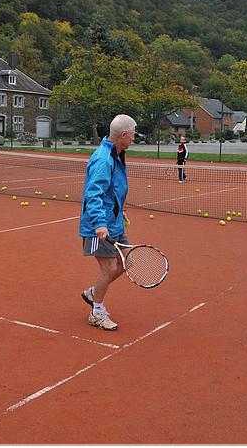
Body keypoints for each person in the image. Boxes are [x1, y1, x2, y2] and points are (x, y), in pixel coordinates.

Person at [79, 114, 137, 331]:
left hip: (113, 221)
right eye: (132, 134)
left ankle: (94, 293)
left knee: (126, 262)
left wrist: (119, 210)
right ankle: (97, 312)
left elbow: (111, 190)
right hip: (98, 225)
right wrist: (100, 223)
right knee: (109, 267)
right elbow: (94, 193)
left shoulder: (117, 154)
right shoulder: (104, 159)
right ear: (123, 135)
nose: (134, 138)